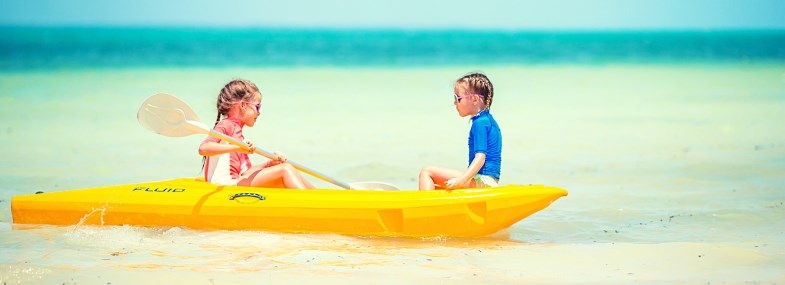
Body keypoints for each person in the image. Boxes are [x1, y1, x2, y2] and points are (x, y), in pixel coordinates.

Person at [199, 79, 314, 189]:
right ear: (243, 105)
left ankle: (321, 199)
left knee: (287, 167)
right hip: (225, 185)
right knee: (285, 170)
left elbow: (245, 174)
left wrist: (270, 163)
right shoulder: (226, 125)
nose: (259, 113)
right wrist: (237, 147)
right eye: (258, 106)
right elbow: (203, 148)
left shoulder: (240, 138)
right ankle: (311, 203)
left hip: (235, 182)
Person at [419, 73, 502, 190]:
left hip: (482, 182)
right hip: (488, 181)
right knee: (435, 188)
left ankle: (424, 207)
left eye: (458, 98)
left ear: (474, 99)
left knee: (426, 172)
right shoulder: (488, 120)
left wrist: (461, 180)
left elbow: (480, 158)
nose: (455, 103)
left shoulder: (480, 123)